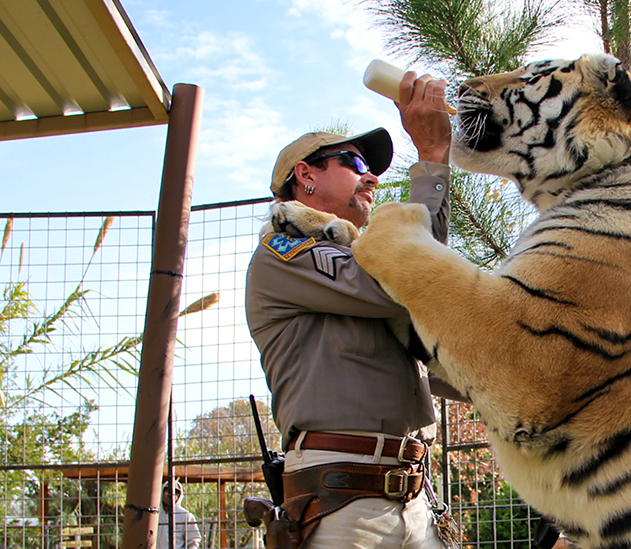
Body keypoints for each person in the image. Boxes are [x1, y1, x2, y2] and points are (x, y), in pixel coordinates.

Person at [245, 71, 459, 549]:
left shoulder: (360, 265)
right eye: (354, 160)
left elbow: (428, 321)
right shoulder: (284, 253)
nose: (372, 175)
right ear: (306, 176)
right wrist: (431, 161)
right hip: (342, 499)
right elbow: (404, 281)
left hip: (413, 496)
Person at [158, 479, 201, 549]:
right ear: (162, 493)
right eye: (167, 491)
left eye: (175, 492)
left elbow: (194, 541)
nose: (170, 495)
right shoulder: (155, 514)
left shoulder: (186, 516)